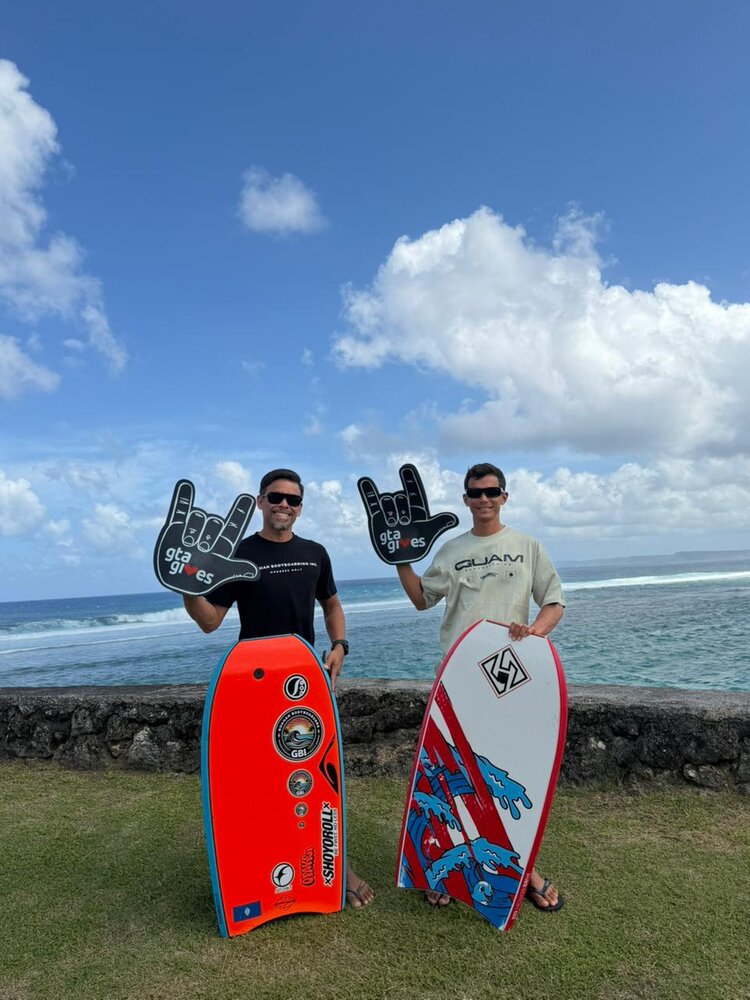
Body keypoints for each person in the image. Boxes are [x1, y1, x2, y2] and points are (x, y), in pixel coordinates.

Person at [183, 467, 374, 909]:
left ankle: (335, 866)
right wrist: (187, 588)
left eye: (292, 500)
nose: (283, 505)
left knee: (319, 776)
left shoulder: (315, 553)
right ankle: (263, 867)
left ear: (300, 507)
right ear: (260, 501)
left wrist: (340, 646)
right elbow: (211, 620)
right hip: (251, 682)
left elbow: (331, 604)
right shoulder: (238, 555)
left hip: (303, 680)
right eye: (275, 498)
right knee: (259, 780)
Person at [395, 461, 565, 912]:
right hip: (458, 676)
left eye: (492, 491)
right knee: (454, 775)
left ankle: (524, 871)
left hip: (509, 677)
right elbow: (420, 599)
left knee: (510, 775)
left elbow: (553, 602)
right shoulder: (451, 551)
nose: (484, 499)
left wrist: (533, 637)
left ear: (504, 496)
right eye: (475, 492)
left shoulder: (526, 545)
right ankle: (447, 873)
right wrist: (400, 556)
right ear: (466, 499)